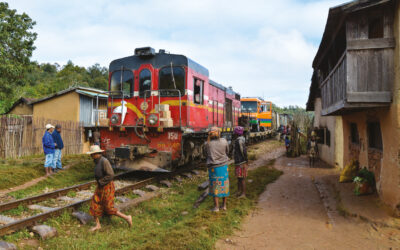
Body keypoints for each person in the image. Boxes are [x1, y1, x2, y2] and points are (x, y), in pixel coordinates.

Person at [86, 145, 132, 232]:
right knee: (94, 204)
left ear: (97, 154)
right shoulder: (97, 161)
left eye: (92, 154)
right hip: (100, 186)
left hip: (107, 187)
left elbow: (110, 175)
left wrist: (101, 181)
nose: (91, 156)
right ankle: (98, 225)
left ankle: (127, 218)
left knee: (109, 208)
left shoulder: (104, 161)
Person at [204, 127, 230, 212]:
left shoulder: (207, 144)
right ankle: (224, 205)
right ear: (219, 133)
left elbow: (206, 154)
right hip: (224, 167)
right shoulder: (224, 141)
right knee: (224, 185)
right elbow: (227, 151)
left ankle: (216, 207)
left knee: (215, 186)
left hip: (213, 168)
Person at [233, 126, 248, 198]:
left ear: (236, 133)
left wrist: (245, 161)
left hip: (241, 162)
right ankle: (238, 191)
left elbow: (244, 152)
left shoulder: (239, 141)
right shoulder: (240, 140)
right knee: (239, 178)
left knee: (242, 178)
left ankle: (243, 193)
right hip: (238, 162)